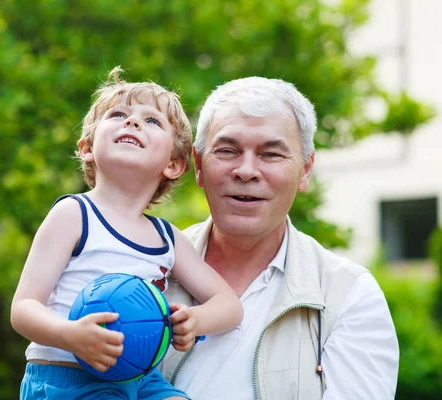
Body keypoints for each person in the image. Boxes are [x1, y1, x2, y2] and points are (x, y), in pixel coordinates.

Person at [10, 67, 244, 400]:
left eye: (152, 121)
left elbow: (229, 305)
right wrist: (70, 334)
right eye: (118, 114)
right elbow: (23, 308)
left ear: (174, 164)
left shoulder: (168, 238)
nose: (132, 122)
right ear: (87, 148)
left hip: (141, 378)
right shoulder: (74, 215)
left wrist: (195, 320)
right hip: (67, 376)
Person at [160, 77, 399, 400]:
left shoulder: (348, 296)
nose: (246, 171)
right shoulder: (151, 270)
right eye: (228, 150)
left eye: (270, 154)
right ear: (199, 165)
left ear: (305, 170)